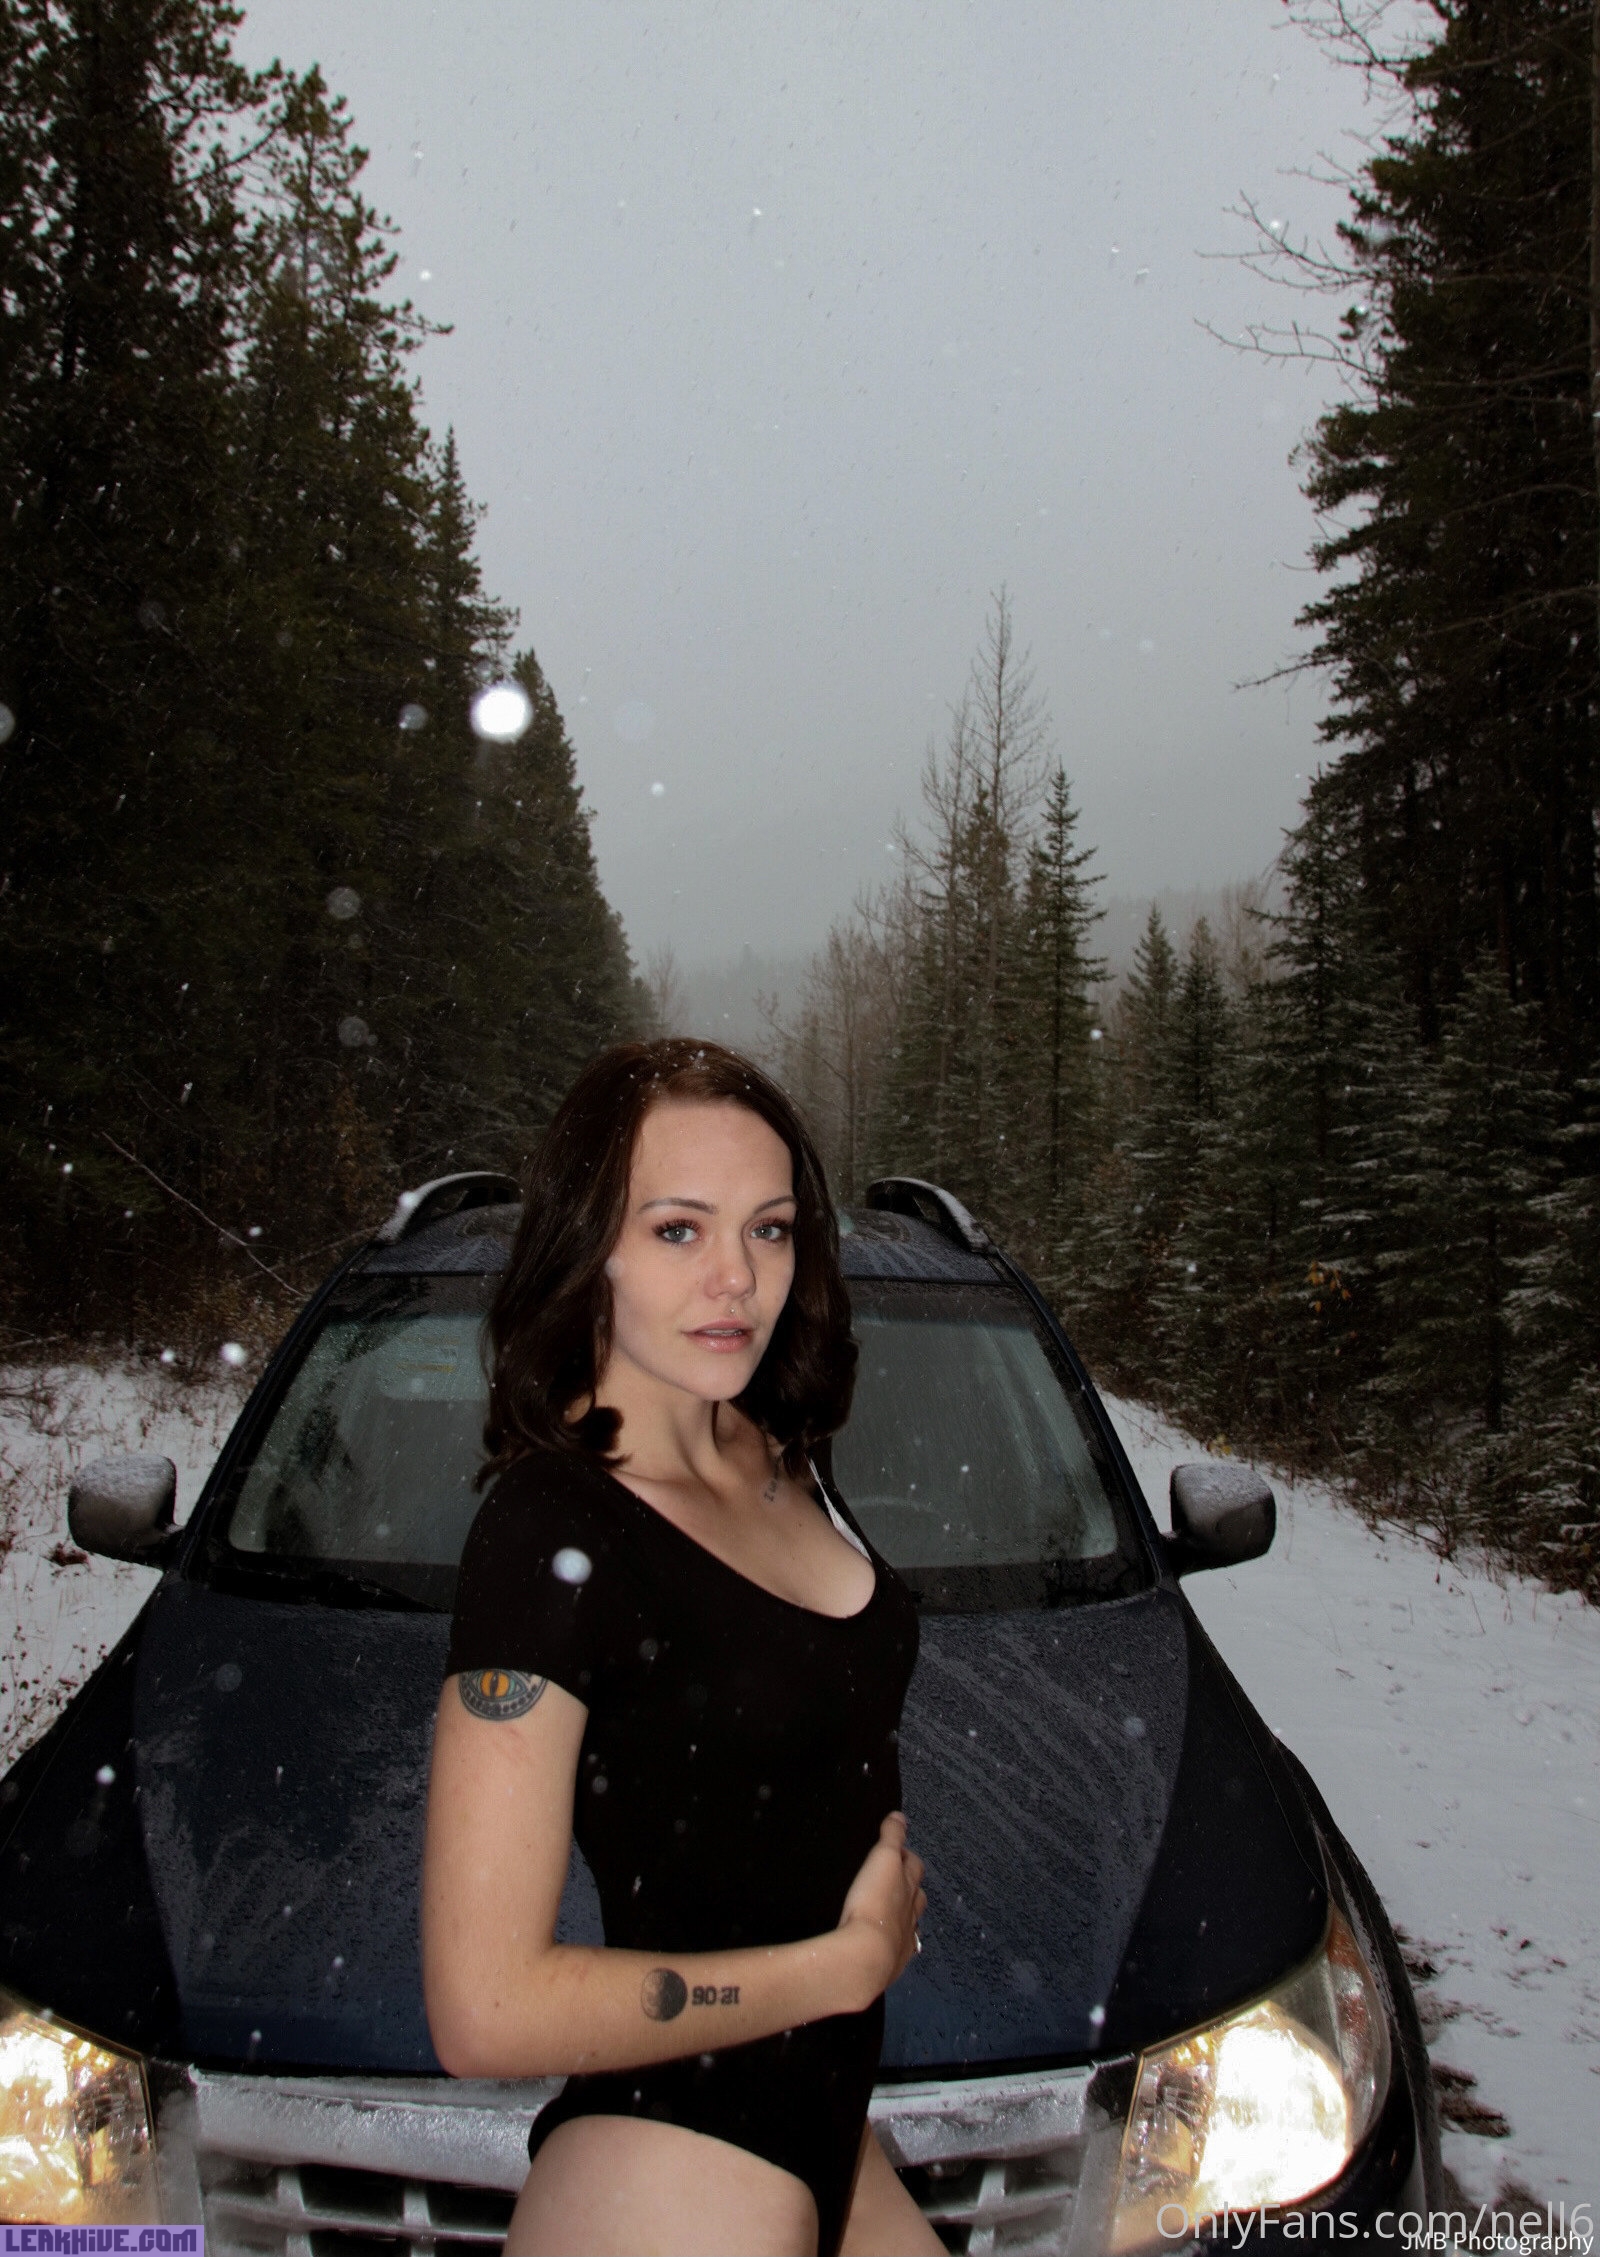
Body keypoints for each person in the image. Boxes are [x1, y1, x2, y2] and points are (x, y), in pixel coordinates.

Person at [422, 1040, 939, 2257]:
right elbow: (483, 2008)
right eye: (676, 1229)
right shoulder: (553, 1531)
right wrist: (840, 1968)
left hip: (826, 2126)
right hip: (674, 2166)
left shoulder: (772, 1447)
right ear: (588, 1243)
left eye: (769, 1230)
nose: (737, 1279)